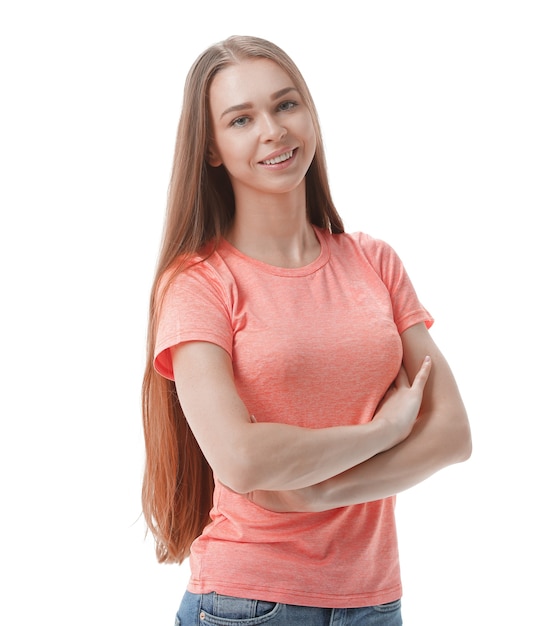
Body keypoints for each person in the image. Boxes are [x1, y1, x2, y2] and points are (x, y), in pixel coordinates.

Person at [141, 35, 472, 626]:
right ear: (212, 149)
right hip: (249, 601)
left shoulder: (374, 262)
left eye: (285, 105)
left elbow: (451, 433)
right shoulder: (200, 284)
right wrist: (386, 430)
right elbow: (241, 459)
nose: (272, 130)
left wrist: (319, 491)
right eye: (241, 119)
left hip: (374, 599)